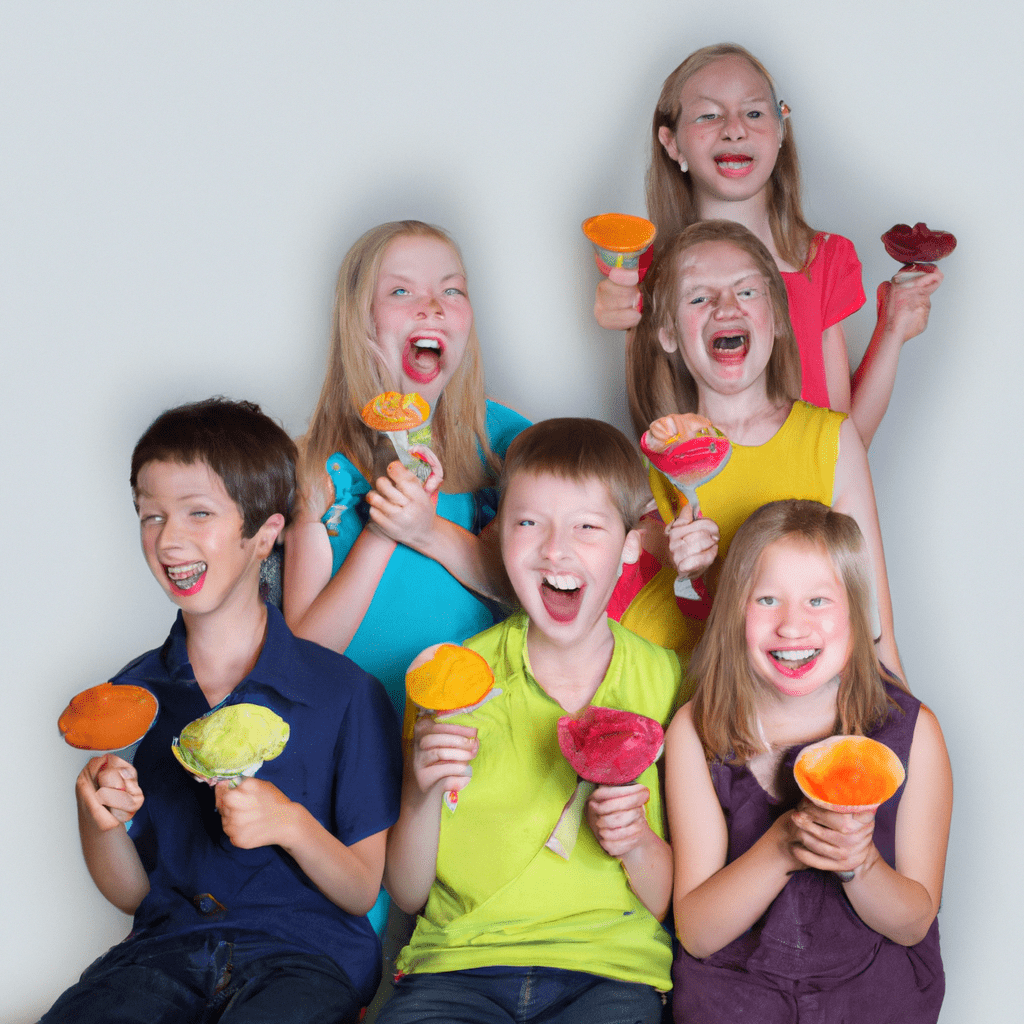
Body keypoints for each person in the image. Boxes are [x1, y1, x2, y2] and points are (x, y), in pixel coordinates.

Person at [41, 398, 401, 1024]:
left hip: (306, 957)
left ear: (265, 533)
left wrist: (291, 823)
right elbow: (131, 892)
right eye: (151, 517)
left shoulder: (344, 693)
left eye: (198, 513)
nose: (169, 538)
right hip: (164, 955)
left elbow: (362, 887)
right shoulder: (135, 697)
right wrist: (97, 818)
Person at [379, 419, 682, 1024]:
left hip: (608, 970)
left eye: (588, 527)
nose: (555, 550)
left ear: (631, 542)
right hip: (456, 967)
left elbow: (665, 902)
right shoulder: (447, 681)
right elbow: (409, 893)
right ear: (497, 537)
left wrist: (636, 842)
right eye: (528, 523)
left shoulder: (667, 682)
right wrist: (420, 792)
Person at [665, 499, 951, 1022]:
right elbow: (699, 932)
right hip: (735, 998)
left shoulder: (915, 732)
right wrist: (783, 846)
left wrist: (858, 864)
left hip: (872, 995)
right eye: (767, 600)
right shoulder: (695, 730)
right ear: (734, 612)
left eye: (818, 601)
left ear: (859, 615)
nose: (792, 627)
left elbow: (913, 923)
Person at [594, 43, 942, 448]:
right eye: (709, 115)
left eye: (754, 112)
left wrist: (893, 328)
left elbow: (844, 448)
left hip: (806, 511)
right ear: (672, 143)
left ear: (781, 128)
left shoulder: (826, 259)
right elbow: (654, 430)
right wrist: (620, 303)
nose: (734, 128)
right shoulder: (645, 269)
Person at [612, 219, 905, 681]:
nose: (725, 306)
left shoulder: (830, 440)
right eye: (698, 297)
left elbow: (873, 625)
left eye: (746, 292)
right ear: (668, 332)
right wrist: (681, 566)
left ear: (780, 318)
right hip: (690, 685)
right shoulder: (663, 451)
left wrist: (905, 728)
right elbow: (673, 606)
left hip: (795, 686)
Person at [284, 220, 529, 720]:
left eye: (452, 290)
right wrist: (382, 532)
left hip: (482, 728)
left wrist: (428, 530)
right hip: (362, 742)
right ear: (361, 321)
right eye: (401, 290)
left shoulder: (507, 441)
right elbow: (307, 654)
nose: (432, 305)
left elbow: (545, 590)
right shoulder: (315, 467)